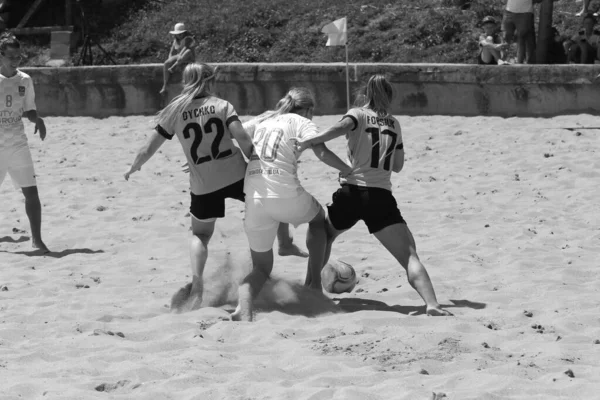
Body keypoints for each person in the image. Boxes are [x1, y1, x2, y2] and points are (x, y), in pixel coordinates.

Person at [125, 63, 305, 311]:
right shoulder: (222, 105)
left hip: (203, 183)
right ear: (209, 80)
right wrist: (258, 161)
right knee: (271, 199)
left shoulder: (173, 111)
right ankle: (280, 248)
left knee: (200, 235)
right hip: (235, 175)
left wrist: (134, 167)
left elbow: (148, 148)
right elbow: (242, 139)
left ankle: (197, 285)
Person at [292, 75, 452, 317]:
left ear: (366, 93)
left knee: (323, 235)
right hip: (380, 197)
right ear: (389, 97)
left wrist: (309, 141)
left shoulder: (356, 114)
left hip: (352, 192)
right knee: (409, 255)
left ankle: (311, 289)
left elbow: (335, 131)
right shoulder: (395, 124)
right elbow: (397, 166)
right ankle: (432, 304)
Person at [232, 87, 352, 322]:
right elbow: (322, 152)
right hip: (284, 194)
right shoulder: (302, 122)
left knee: (261, 269)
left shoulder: (265, 117)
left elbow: (234, 137)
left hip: (254, 198)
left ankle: (243, 303)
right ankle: (315, 284)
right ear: (308, 109)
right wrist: (347, 169)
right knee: (318, 220)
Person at [0, 34, 48, 253]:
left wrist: (36, 118)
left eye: (18, 56)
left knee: (31, 192)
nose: (15, 60)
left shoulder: (25, 80)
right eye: (11, 56)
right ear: (1, 56)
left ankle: (37, 239)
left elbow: (29, 109)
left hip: (18, 142)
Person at [160, 23, 196, 95]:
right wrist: (170, 60)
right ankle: (165, 85)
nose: (179, 35)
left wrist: (179, 58)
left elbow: (186, 48)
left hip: (188, 56)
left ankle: (174, 67)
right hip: (179, 56)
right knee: (166, 63)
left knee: (187, 52)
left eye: (181, 34)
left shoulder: (188, 39)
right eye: (178, 34)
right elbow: (172, 51)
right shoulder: (175, 41)